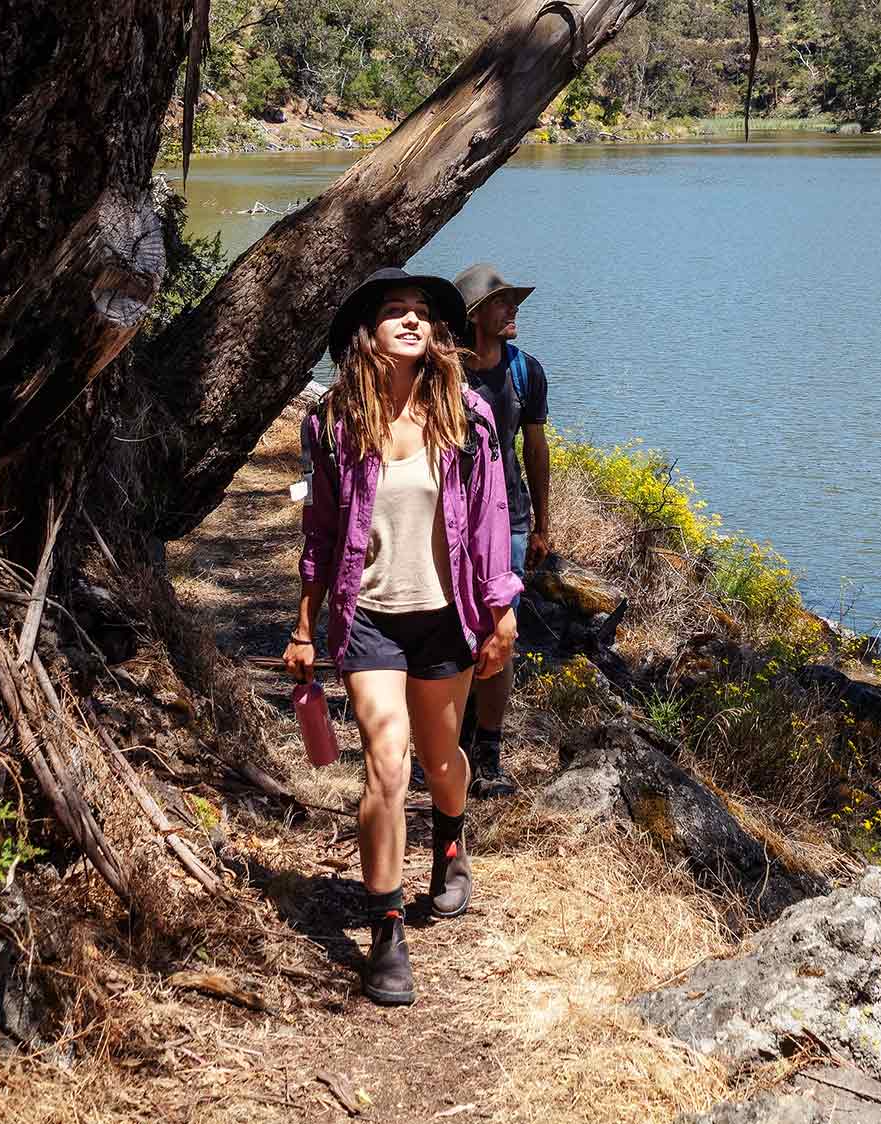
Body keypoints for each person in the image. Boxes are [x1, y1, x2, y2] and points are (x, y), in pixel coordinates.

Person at [284, 267, 520, 1006]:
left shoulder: (468, 419)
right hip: (371, 619)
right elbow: (321, 531)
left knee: (442, 759)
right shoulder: (331, 425)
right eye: (396, 311)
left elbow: (488, 522)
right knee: (387, 760)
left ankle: (449, 843)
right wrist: (302, 623)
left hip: (446, 618)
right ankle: (387, 928)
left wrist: (501, 608)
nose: (414, 320)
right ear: (368, 334)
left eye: (423, 312)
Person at [450, 263, 551, 798]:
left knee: (498, 635)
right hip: (446, 522)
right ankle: (448, 745)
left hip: (508, 519)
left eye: (514, 300)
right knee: (447, 632)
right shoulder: (441, 373)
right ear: (473, 315)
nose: (513, 310)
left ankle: (487, 751)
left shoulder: (524, 371)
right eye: (502, 302)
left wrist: (541, 523)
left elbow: (534, 447)